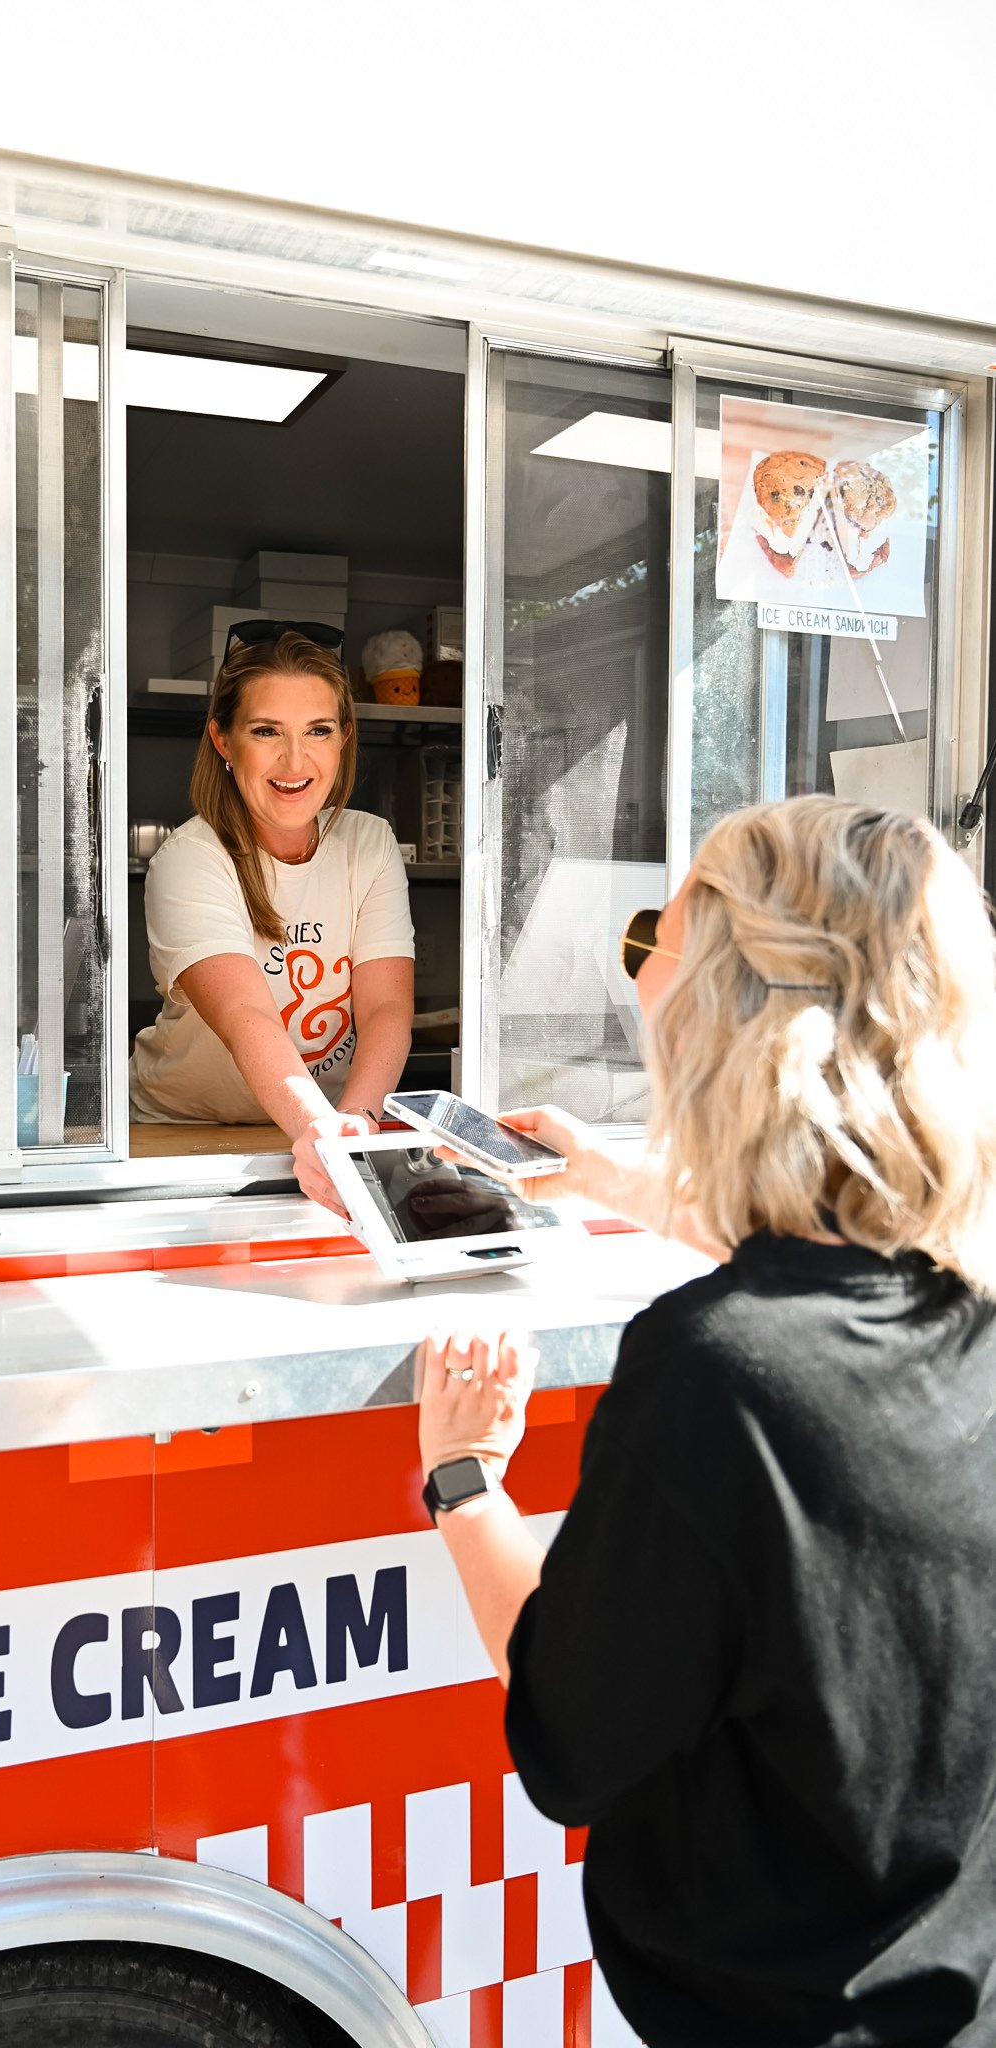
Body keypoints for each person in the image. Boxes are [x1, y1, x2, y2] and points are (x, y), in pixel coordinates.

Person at [417, 795, 996, 2046]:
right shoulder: (967, 1307)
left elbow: (571, 1740)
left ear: (728, 1027)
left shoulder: (716, 1376)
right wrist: (615, 1181)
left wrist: (464, 1481)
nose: (641, 994)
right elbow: (849, 1257)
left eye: (653, 956)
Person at [129, 623, 414, 1211]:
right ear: (223, 741)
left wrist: (353, 1124)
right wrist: (325, 1132)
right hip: (182, 1135)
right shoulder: (190, 858)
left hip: (321, 1133)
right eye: (266, 731)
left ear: (344, 738)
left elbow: (385, 1006)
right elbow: (246, 1015)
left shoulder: (369, 843)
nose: (295, 760)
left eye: (318, 730)